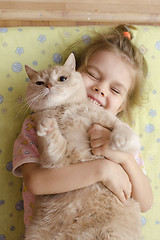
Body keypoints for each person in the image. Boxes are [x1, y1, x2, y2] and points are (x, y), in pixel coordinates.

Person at [13, 25, 153, 228]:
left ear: (121, 105)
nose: (100, 88)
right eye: (94, 75)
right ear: (73, 72)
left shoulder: (120, 135)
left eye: (114, 89)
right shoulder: (39, 121)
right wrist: (104, 170)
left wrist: (123, 158)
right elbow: (36, 182)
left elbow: (145, 203)